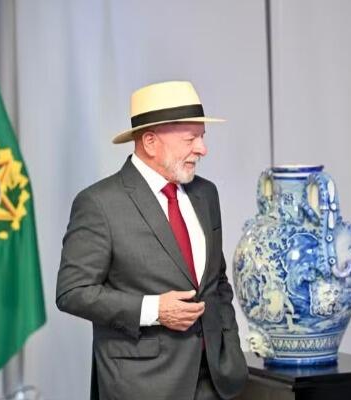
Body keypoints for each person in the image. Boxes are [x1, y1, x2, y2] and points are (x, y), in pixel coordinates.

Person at [56, 81, 248, 400]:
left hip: (216, 380)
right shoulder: (99, 203)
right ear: (150, 142)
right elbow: (72, 292)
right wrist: (154, 309)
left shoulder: (206, 194)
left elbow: (217, 282)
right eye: (191, 139)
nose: (202, 149)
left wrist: (231, 348)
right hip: (142, 386)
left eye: (202, 137)